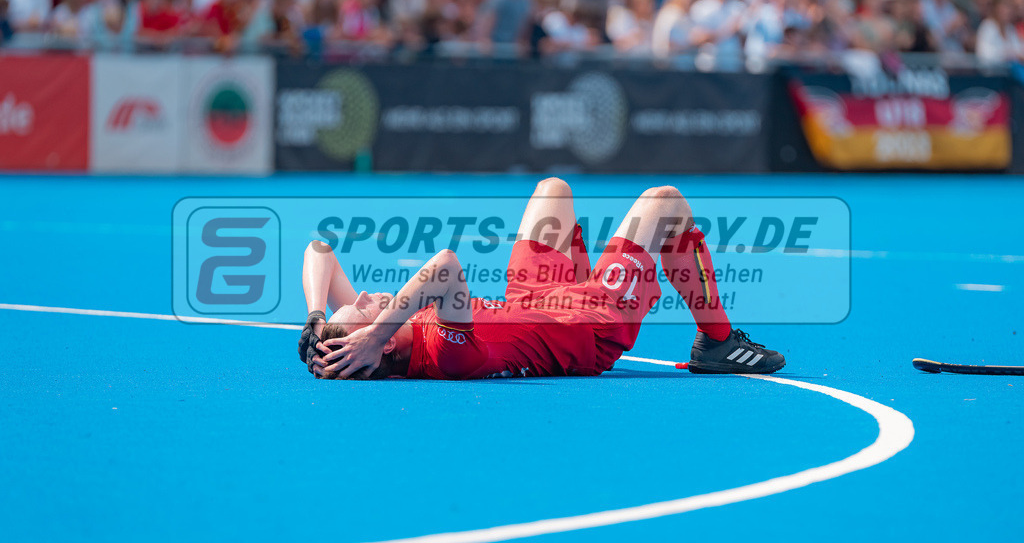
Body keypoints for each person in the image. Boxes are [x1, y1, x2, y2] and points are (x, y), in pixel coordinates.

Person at [298, 178, 786, 380]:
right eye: (360, 306)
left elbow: (320, 250)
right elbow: (445, 265)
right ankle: (717, 342)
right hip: (593, 321)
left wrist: (317, 318)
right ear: (377, 345)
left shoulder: (383, 335)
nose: (362, 294)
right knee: (664, 202)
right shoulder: (445, 354)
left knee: (552, 188)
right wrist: (374, 331)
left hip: (532, 298)